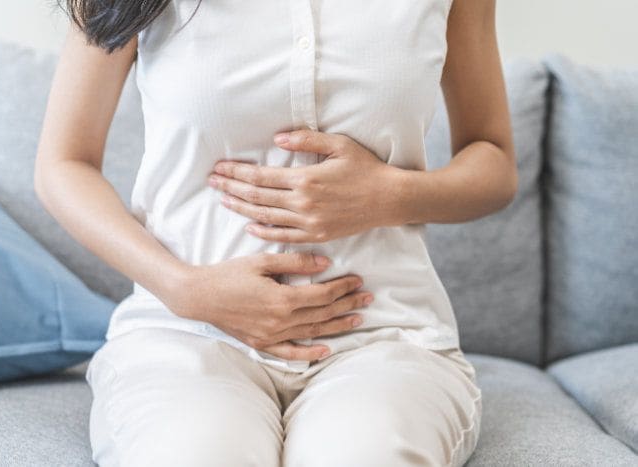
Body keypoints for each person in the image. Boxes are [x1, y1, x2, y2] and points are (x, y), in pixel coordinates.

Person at [35, 0, 516, 465]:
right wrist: (184, 289)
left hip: (385, 337)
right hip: (186, 334)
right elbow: (63, 164)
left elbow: (493, 160)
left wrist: (389, 195)